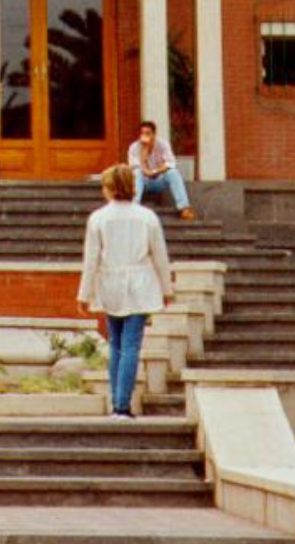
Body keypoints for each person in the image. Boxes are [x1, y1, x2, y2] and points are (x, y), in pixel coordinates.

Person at [77, 164, 173, 418]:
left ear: (109, 188)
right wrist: (167, 288)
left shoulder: (98, 218)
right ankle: (122, 404)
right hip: (140, 283)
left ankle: (116, 402)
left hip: (111, 283)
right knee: (131, 345)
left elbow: (91, 259)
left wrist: (84, 294)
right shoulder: (147, 217)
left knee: (116, 345)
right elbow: (160, 256)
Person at [126, 120, 197, 220]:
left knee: (173, 173)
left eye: (148, 133)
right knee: (137, 173)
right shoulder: (134, 147)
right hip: (142, 182)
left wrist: (155, 172)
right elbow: (135, 167)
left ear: (154, 134)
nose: (144, 136)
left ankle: (184, 208)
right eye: (142, 133)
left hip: (159, 180)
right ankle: (134, 207)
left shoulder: (162, 144)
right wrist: (144, 154)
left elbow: (171, 163)